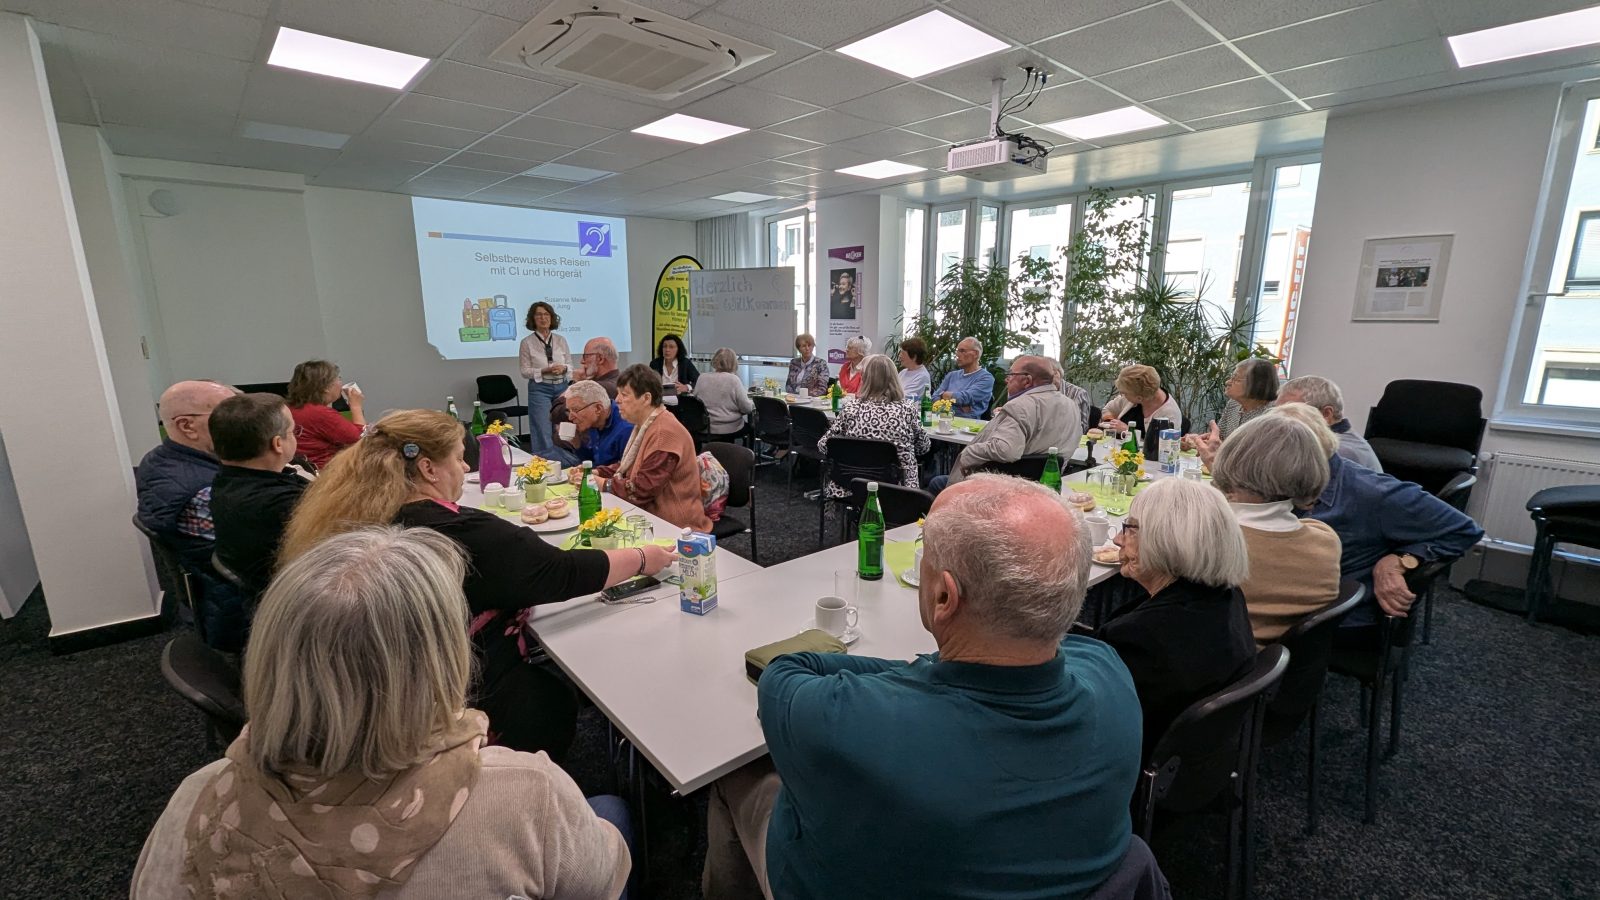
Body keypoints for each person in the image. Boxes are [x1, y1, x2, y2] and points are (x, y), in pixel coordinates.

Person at [701, 475, 1141, 900]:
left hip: (825, 879)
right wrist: (924, 669)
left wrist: (912, 670)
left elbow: (782, 675)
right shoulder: (1111, 672)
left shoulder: (851, 721)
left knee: (733, 771)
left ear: (944, 598)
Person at [132, 527, 632, 899]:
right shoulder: (524, 793)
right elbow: (603, 880)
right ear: (444, 655)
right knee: (612, 812)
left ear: (271, 653)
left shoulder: (195, 801)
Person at [278, 410, 675, 760]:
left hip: (381, 695)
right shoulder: (467, 536)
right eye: (457, 459)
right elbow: (564, 572)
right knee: (557, 693)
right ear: (429, 470)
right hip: (468, 696)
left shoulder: (360, 513)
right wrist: (645, 558)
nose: (466, 469)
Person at [1267, 403, 1482, 627]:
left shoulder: (1373, 493)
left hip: (1323, 619)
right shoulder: (1279, 483)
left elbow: (1464, 530)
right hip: (1285, 594)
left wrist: (1399, 561)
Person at [1099, 477, 1256, 755]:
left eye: (1131, 528)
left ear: (1167, 541)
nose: (1118, 538)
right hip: (1193, 765)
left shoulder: (1143, 638)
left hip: (1130, 768)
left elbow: (1098, 726)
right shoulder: (1227, 597)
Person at [1209, 415, 1343, 646]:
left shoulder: (1213, 543)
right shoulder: (1326, 539)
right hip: (1280, 669)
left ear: (1232, 460)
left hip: (1222, 664)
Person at [136, 379, 246, 648]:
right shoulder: (203, 490)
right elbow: (269, 549)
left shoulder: (161, 457)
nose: (244, 424)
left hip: (213, 593)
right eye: (230, 415)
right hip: (238, 607)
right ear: (186, 426)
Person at [209, 393, 309, 597]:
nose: (295, 436)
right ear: (278, 444)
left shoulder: (226, 481)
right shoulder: (282, 503)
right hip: (293, 598)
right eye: (292, 431)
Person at [933, 355, 1082, 490]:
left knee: (937, 484)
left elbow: (1006, 450)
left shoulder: (1021, 406)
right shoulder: (1071, 406)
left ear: (1027, 380)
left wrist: (968, 453)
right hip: (1044, 489)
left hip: (999, 489)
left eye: (1010, 374)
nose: (1006, 379)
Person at [595, 365, 712, 532]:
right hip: (653, 518)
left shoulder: (663, 433)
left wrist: (604, 484)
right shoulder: (648, 423)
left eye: (624, 394)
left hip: (676, 526)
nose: (617, 400)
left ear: (646, 398)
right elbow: (631, 467)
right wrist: (598, 473)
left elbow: (640, 491)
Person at [815, 355, 930, 499]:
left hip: (851, 484)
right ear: (895, 379)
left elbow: (823, 445)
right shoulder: (907, 409)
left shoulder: (851, 408)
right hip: (896, 487)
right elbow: (923, 447)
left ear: (865, 379)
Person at [1278, 374, 1383, 472]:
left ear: (1326, 414)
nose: (1277, 420)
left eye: (1291, 412)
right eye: (1277, 412)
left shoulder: (1338, 453)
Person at [1182, 358, 1279, 460]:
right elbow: (1221, 437)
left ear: (1257, 384)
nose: (1227, 382)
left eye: (1235, 378)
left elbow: (1259, 456)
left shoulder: (1272, 415)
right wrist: (1197, 440)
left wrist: (1220, 448)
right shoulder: (1233, 404)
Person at [549, 336, 620, 462]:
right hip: (581, 450)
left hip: (576, 454)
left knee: (541, 460)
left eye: (585, 356)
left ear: (600, 358)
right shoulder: (613, 381)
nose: (582, 361)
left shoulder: (601, 387)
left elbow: (556, 412)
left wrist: (577, 383)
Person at [286, 360, 365, 469]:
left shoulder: (289, 408)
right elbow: (362, 439)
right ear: (326, 388)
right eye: (338, 378)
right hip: (325, 474)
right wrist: (356, 406)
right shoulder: (320, 414)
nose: (340, 383)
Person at [518, 301, 571, 456]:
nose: (543, 318)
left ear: (552, 317)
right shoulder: (527, 343)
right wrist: (544, 370)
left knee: (565, 425)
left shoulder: (561, 340)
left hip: (562, 386)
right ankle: (543, 462)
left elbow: (570, 364)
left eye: (546, 314)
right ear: (532, 319)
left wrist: (565, 368)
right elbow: (524, 371)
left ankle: (566, 460)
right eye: (539, 315)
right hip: (540, 388)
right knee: (541, 427)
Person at [1100, 363, 1182, 448]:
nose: (1122, 395)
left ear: (1139, 398)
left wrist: (1128, 431)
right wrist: (1111, 423)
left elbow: (1162, 447)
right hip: (1117, 452)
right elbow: (1107, 409)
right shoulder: (1132, 397)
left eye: (1125, 393)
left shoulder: (1170, 414)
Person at [560, 379, 634, 469]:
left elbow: (626, 473)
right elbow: (594, 462)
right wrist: (577, 444)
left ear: (598, 408)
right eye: (569, 411)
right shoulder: (596, 422)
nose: (570, 417)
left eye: (575, 410)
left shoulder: (626, 429)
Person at [695, 347, 755, 439]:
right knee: (751, 428)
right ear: (733, 362)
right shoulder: (733, 379)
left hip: (704, 427)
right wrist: (752, 403)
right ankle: (745, 453)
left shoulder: (702, 377)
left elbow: (696, 401)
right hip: (729, 429)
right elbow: (746, 408)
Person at [932, 336, 997, 418]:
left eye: (962, 351)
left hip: (968, 426)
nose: (957, 355)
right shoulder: (951, 375)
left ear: (976, 354)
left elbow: (966, 398)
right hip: (943, 419)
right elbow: (934, 397)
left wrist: (944, 397)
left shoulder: (986, 378)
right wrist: (956, 405)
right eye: (957, 351)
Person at [1046, 357, 1093, 434]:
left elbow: (1081, 428)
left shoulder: (1078, 394)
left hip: (1068, 441)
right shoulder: (1037, 393)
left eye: (1053, 373)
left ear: (1059, 373)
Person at [896, 336, 931, 401]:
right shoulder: (903, 372)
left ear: (914, 357)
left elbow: (905, 398)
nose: (900, 356)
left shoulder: (922, 376)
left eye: (903, 353)